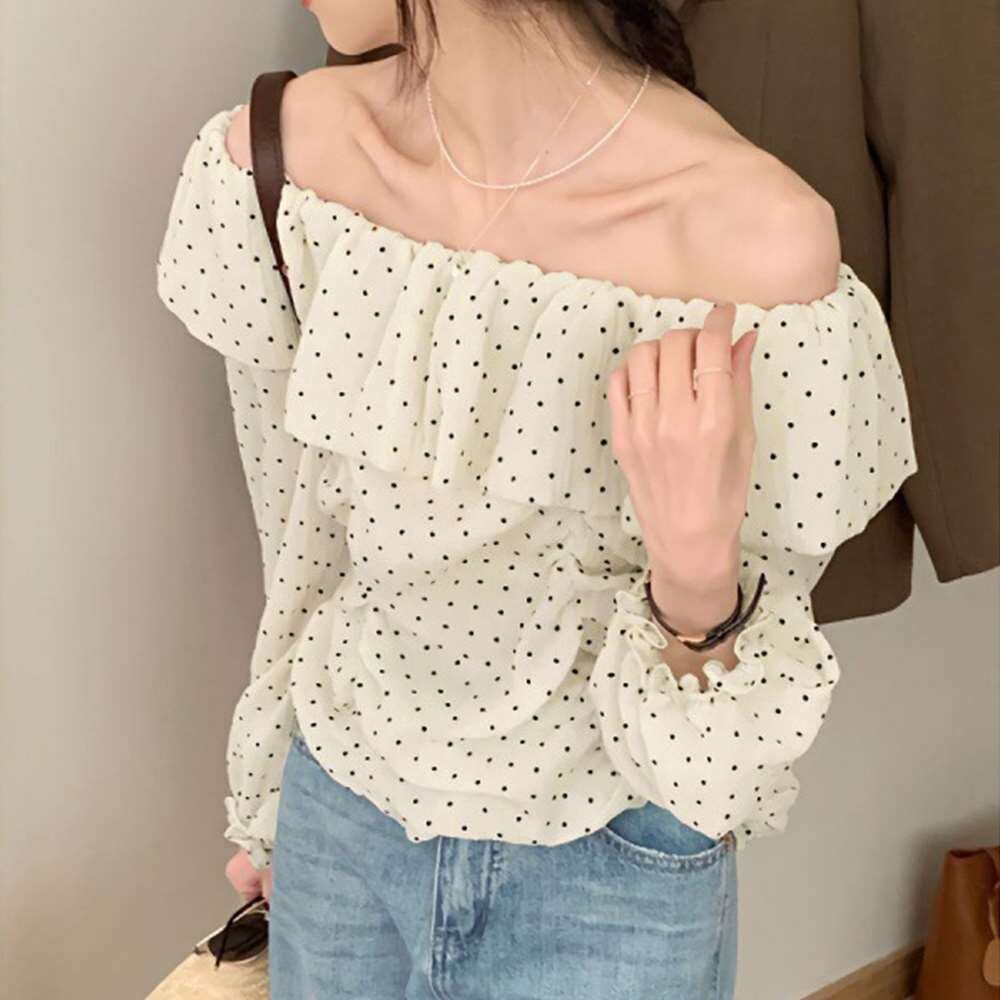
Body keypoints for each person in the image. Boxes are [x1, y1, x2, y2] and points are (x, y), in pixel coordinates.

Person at [155, 2, 918, 997]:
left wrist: (696, 575)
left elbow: (718, 780)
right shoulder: (277, 165)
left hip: (608, 869)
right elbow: (298, 549)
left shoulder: (752, 245)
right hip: (337, 824)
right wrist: (269, 811)